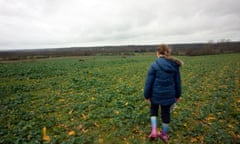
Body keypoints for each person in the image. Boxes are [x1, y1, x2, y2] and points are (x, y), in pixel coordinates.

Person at [144, 44, 183, 142]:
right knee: (166, 113)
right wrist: (178, 95)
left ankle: (153, 131)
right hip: (169, 95)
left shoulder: (154, 65)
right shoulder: (174, 65)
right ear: (168, 53)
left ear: (157, 53)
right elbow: (178, 82)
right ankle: (164, 135)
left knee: (153, 110)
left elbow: (149, 82)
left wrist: (146, 95)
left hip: (155, 94)